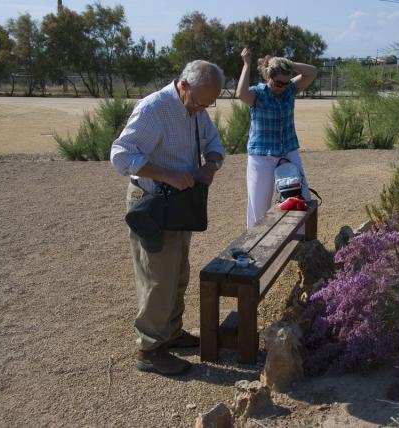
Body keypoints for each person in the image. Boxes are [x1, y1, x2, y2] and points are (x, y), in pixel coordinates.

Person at [110, 60, 225, 376]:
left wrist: (210, 165)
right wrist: (167, 175)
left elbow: (215, 145)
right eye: (200, 102)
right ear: (183, 86)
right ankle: (149, 349)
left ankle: (171, 333)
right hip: (152, 202)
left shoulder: (197, 108)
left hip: (179, 204)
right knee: (158, 278)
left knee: (178, 272)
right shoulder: (153, 109)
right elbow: (120, 155)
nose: (203, 109)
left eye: (209, 104)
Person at [236, 48, 318, 228]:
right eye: (278, 83)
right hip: (262, 155)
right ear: (268, 77)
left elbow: (312, 72)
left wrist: (288, 64)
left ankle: (299, 241)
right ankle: (255, 244)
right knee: (259, 205)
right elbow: (241, 93)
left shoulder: (290, 89)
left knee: (300, 197)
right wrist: (247, 64)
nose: (283, 87)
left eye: (286, 83)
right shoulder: (258, 94)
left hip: (288, 151)